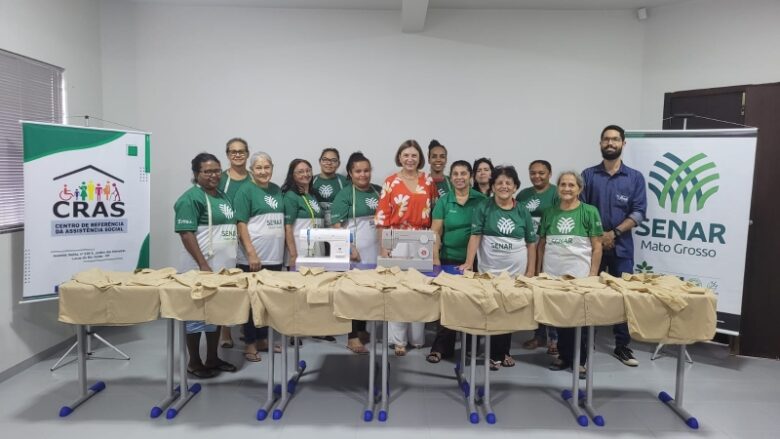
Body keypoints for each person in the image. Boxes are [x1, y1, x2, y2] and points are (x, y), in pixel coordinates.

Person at [581, 124, 647, 367]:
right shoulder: (588, 175)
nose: (610, 143)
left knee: (624, 297)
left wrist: (615, 232)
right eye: (606, 139)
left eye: (615, 139)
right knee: (590, 295)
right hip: (592, 248)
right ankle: (586, 347)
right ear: (600, 144)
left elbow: (639, 212)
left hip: (622, 248)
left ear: (623, 144)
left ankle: (622, 346)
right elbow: (582, 210)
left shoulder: (635, 178)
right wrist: (599, 237)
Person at [460, 166, 537, 370]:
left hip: (515, 273)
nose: (504, 186)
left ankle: (504, 352)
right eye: (499, 183)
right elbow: (475, 236)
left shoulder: (522, 210)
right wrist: (469, 263)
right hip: (490, 271)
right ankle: (493, 354)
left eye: (508, 183)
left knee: (508, 311)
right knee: (492, 311)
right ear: (493, 186)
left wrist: (530, 271)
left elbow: (531, 243)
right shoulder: (484, 207)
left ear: (515, 187)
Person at [173, 153, 239, 378]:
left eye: (216, 170)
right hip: (199, 268)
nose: (213, 175)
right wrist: (202, 264)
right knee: (195, 316)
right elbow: (186, 233)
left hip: (223, 268)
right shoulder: (190, 199)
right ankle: (194, 362)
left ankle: (212, 358)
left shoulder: (222, 196)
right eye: (208, 171)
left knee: (216, 315)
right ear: (196, 174)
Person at [376, 140, 437, 356]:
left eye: (414, 155)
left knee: (420, 288)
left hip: (422, 238)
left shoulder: (428, 180)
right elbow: (382, 217)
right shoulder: (390, 182)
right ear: (399, 157)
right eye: (406, 155)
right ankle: (398, 340)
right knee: (397, 289)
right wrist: (385, 248)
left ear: (420, 157)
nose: (410, 159)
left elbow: (436, 213)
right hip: (396, 237)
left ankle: (417, 338)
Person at [538, 172, 603, 378]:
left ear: (579, 189)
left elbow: (597, 246)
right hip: (552, 275)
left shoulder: (589, 212)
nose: (567, 188)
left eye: (571, 185)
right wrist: (540, 271)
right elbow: (542, 245)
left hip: (579, 276)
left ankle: (580, 361)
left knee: (578, 320)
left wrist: (593, 274)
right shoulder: (549, 212)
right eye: (563, 185)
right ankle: (565, 357)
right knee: (560, 319)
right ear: (558, 188)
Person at [427, 160, 486, 363]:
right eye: (455, 174)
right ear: (450, 178)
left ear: (470, 176)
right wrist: (436, 260)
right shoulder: (445, 201)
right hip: (449, 259)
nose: (459, 177)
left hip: (475, 260)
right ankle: (442, 348)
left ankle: (471, 346)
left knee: (473, 303)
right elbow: (435, 232)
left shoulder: (481, 200)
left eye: (463, 173)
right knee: (448, 303)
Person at [233, 151, 285, 362]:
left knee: (267, 301)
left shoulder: (276, 190)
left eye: (267, 167)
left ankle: (263, 339)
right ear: (251, 170)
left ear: (272, 167)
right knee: (251, 301)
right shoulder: (245, 191)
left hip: (274, 257)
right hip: (253, 259)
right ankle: (250, 344)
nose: (264, 172)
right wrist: (251, 253)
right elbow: (241, 224)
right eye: (259, 168)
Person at [331, 152, 382, 354]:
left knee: (369, 292)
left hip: (376, 250)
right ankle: (352, 337)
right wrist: (350, 247)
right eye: (358, 171)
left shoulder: (378, 192)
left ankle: (361, 330)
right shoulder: (344, 194)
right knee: (353, 294)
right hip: (356, 252)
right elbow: (337, 226)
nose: (363, 175)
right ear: (350, 173)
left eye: (366, 170)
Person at [517, 160, 560, 356]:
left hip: (548, 248)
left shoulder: (557, 193)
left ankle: (555, 339)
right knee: (534, 293)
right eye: (533, 173)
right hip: (525, 248)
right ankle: (539, 335)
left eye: (541, 173)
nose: (537, 176)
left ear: (549, 174)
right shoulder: (524, 195)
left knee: (549, 294)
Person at [218, 137, 251, 349]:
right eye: (233, 151)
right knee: (226, 285)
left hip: (248, 237)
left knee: (246, 284)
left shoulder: (254, 178)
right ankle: (225, 331)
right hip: (226, 236)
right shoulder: (220, 179)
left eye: (241, 151)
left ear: (248, 153)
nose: (237, 154)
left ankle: (245, 328)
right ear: (228, 155)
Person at [282, 159, 324, 269]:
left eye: (308, 170)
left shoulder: (313, 195)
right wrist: (293, 255)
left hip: (316, 252)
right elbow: (288, 227)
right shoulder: (291, 196)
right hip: (299, 253)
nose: (305, 174)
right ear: (293, 175)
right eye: (300, 172)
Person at [312, 148, 349, 227]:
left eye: (333, 160)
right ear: (320, 161)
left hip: (337, 228)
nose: (329, 163)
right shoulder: (310, 181)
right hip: (315, 228)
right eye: (325, 159)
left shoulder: (345, 182)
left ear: (338, 163)